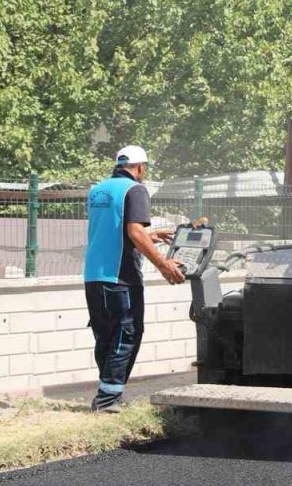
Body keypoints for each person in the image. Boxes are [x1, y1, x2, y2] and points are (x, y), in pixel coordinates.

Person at [83, 145, 184, 412]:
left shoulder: (98, 190)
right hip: (121, 276)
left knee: (106, 336)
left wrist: (150, 236)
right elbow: (134, 232)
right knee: (126, 334)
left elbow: (112, 231)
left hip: (94, 275)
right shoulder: (136, 190)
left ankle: (108, 393)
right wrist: (163, 264)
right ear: (140, 168)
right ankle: (107, 400)